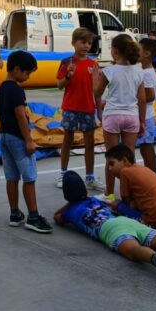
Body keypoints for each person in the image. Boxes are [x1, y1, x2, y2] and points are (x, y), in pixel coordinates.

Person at [0, 50, 52, 233]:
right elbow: (21, 116)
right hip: (18, 139)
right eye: (27, 73)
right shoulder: (16, 90)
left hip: (4, 136)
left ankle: (15, 213)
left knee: (11, 177)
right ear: (17, 69)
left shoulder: (2, 88)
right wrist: (29, 140)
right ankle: (33, 216)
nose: (28, 77)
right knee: (29, 177)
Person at [94, 35, 146, 198]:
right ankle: (131, 193)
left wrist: (95, 76)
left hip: (113, 115)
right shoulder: (139, 71)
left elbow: (97, 93)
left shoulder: (109, 71)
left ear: (115, 51)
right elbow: (142, 100)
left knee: (112, 157)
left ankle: (109, 193)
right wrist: (142, 122)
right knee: (129, 157)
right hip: (131, 116)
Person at [55, 27, 104, 191]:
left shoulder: (93, 64)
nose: (86, 46)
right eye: (83, 42)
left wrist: (99, 110)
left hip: (88, 108)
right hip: (70, 107)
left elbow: (97, 90)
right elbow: (60, 86)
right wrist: (68, 76)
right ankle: (63, 173)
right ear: (73, 43)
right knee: (67, 141)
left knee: (89, 142)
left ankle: (89, 176)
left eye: (89, 43)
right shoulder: (66, 62)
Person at [103, 145, 156, 232]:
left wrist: (117, 204)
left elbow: (126, 201)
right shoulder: (141, 168)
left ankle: (146, 221)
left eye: (112, 164)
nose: (109, 169)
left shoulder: (124, 172)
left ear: (124, 160)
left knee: (116, 204)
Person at [137, 38, 156, 171]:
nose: (135, 52)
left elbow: (150, 96)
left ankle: (151, 175)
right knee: (145, 148)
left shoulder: (146, 73)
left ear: (146, 54)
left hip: (145, 116)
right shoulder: (146, 71)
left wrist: (134, 98)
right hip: (145, 115)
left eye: (138, 50)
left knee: (146, 149)